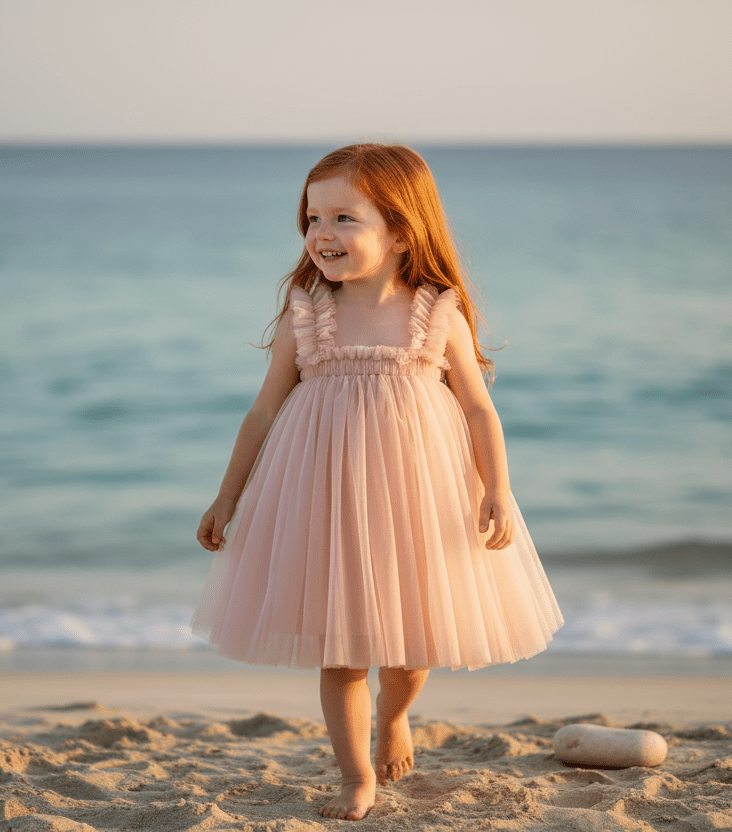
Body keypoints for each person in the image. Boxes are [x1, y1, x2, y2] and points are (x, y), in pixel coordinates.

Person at [193, 144, 563, 821]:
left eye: (343, 218)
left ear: (399, 230)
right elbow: (265, 408)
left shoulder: (434, 312)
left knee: (414, 636)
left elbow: (480, 409)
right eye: (312, 219)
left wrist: (496, 488)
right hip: (326, 493)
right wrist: (228, 496)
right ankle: (355, 777)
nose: (321, 235)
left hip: (418, 491)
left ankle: (396, 717)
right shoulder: (307, 311)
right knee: (342, 645)